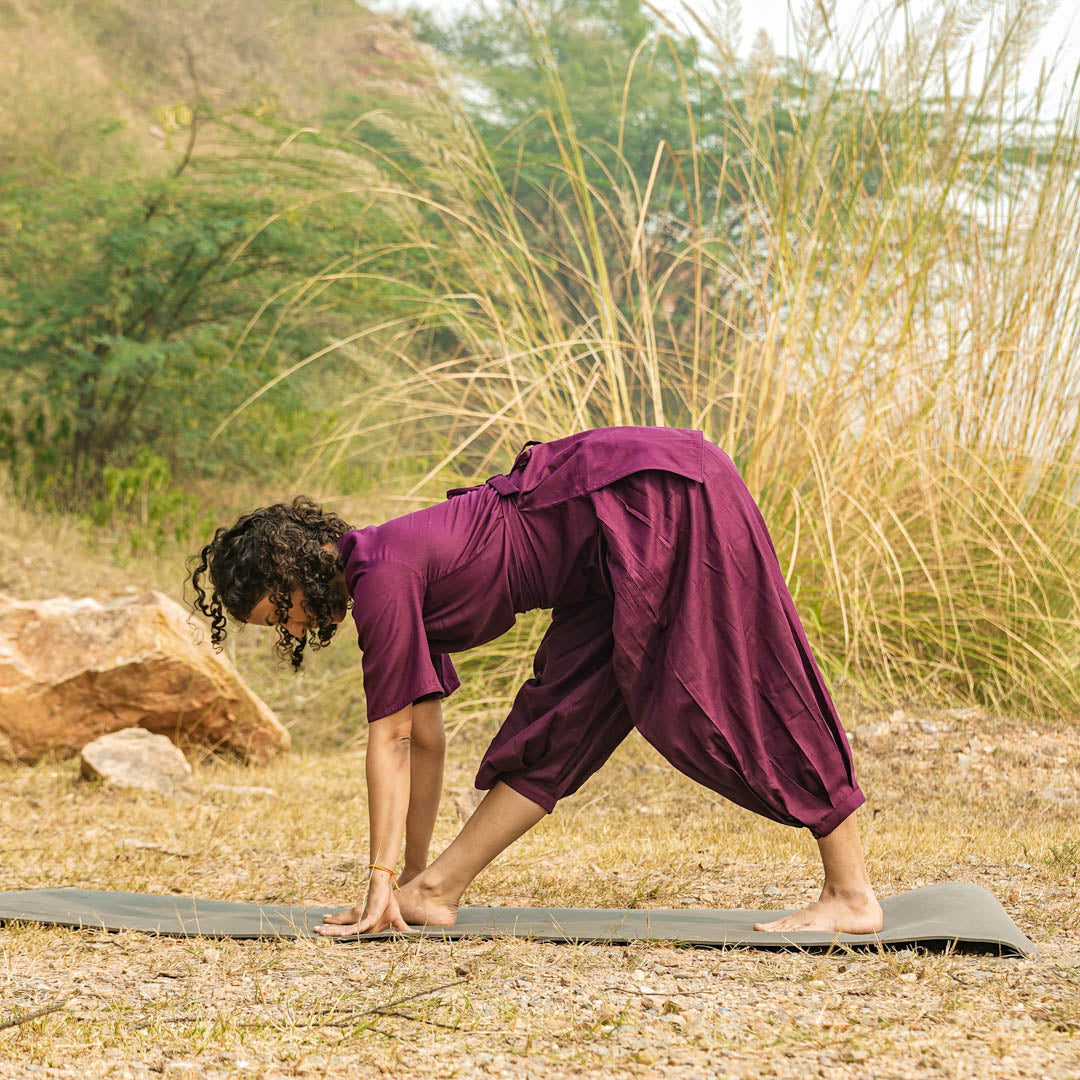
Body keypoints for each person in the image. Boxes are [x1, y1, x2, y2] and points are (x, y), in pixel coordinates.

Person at [189, 427, 882, 937]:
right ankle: (439, 888)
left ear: (291, 574)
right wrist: (408, 880)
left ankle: (850, 892)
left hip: (655, 499)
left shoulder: (379, 573)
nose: (299, 630)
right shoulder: (382, 574)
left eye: (283, 614)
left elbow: (392, 739)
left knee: (734, 681)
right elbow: (425, 736)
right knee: (560, 721)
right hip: (601, 556)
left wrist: (375, 880)